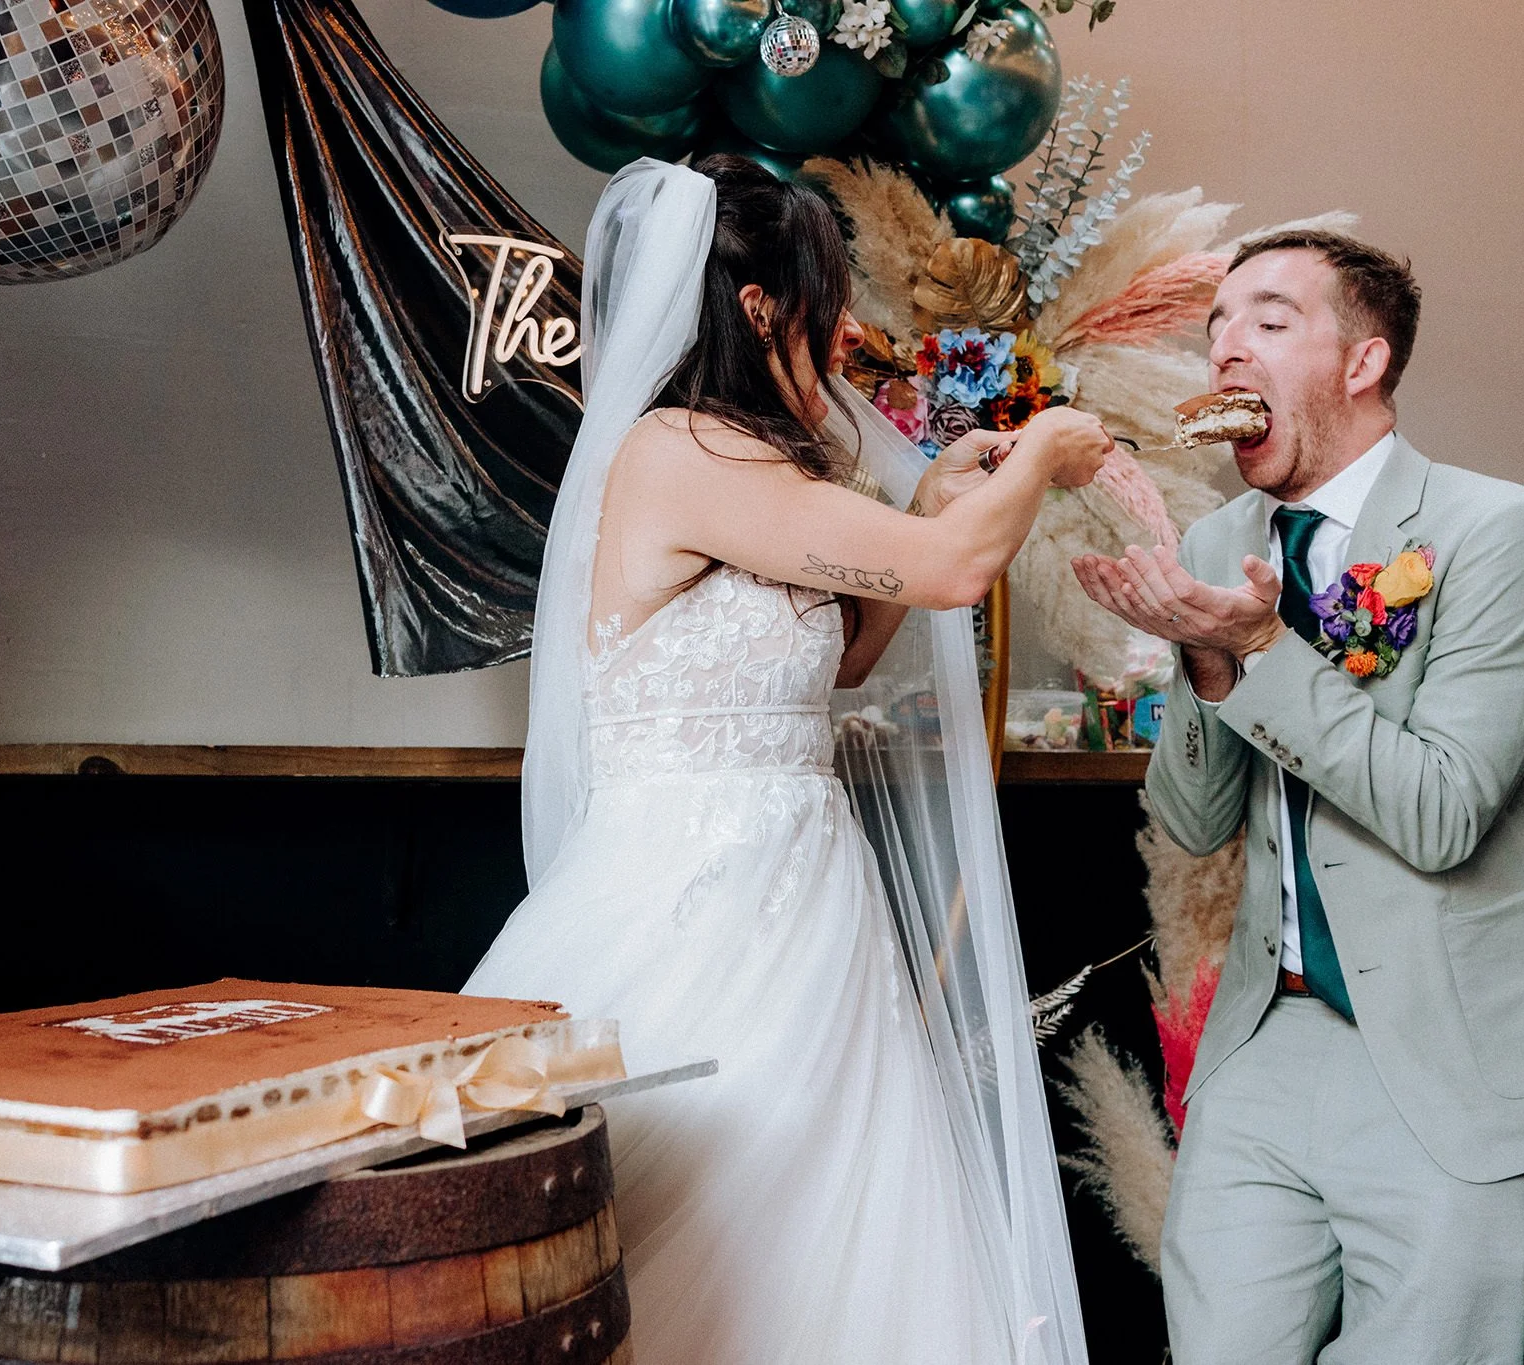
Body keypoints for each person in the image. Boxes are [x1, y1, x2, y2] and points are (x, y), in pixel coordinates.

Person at [462, 155, 1113, 1363]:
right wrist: (1036, 457)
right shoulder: (676, 450)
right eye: (827, 290)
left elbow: (855, 652)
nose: (847, 323)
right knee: (689, 1222)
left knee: (822, 1229)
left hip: (809, 902)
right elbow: (952, 578)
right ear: (760, 305)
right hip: (682, 899)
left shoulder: (763, 462)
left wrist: (923, 509)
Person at [1073, 230, 1524, 1363]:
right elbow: (1189, 823)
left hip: (1456, 1061)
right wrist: (1199, 655)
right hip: (1264, 1048)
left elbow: (1440, 812)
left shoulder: (1500, 534)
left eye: (1268, 322)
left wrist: (1258, 647)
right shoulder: (1218, 540)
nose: (1226, 350)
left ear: (1362, 362)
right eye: (1216, 326)